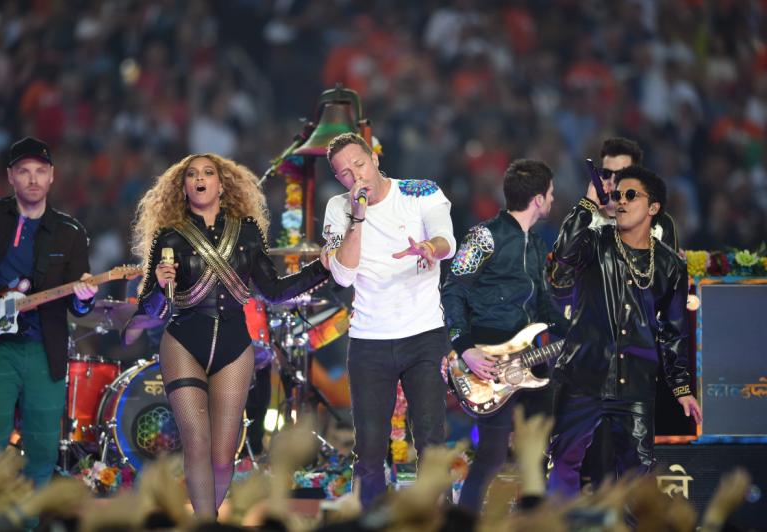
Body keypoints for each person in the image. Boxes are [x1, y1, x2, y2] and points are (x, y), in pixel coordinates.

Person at [130, 153, 330, 517]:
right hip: (183, 343)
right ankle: (205, 522)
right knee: (197, 441)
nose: (200, 178)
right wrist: (158, 285)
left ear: (222, 185)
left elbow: (273, 291)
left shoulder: (247, 231)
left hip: (234, 347)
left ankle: (210, 516)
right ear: (183, 187)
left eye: (208, 173)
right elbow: (151, 311)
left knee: (223, 456)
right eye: (192, 174)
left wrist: (323, 268)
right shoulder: (169, 236)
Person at [546, 165, 702, 496]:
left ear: (653, 207)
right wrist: (587, 204)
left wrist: (681, 387)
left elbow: (673, 330)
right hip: (583, 377)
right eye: (617, 195)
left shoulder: (670, 264)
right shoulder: (594, 243)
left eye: (631, 195)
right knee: (564, 466)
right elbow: (564, 254)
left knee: (638, 477)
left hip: (634, 385)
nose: (621, 201)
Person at [321, 132, 456, 507]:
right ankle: (370, 519)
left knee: (430, 440)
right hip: (369, 339)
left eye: (360, 164)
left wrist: (429, 247)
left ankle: (439, 518)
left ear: (375, 159)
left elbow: (447, 240)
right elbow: (343, 276)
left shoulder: (419, 191)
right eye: (345, 173)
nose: (356, 176)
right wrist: (357, 218)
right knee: (368, 448)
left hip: (424, 334)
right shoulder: (338, 208)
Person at [0, 137, 98, 487]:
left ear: (52, 175)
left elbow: (78, 305)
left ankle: (28, 514)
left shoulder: (70, 232)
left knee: (43, 446)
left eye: (40, 171)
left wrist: (85, 296)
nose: (33, 179)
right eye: (24, 171)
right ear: (11, 176)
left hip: (45, 348)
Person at [441, 159, 567, 513]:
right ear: (538, 199)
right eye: (550, 193)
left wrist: (576, 330)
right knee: (492, 455)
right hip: (489, 360)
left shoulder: (538, 245)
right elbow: (452, 289)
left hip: (531, 360)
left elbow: (544, 307)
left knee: (540, 451)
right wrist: (464, 347)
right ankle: (464, 522)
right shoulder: (484, 236)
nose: (553, 199)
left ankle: (533, 520)